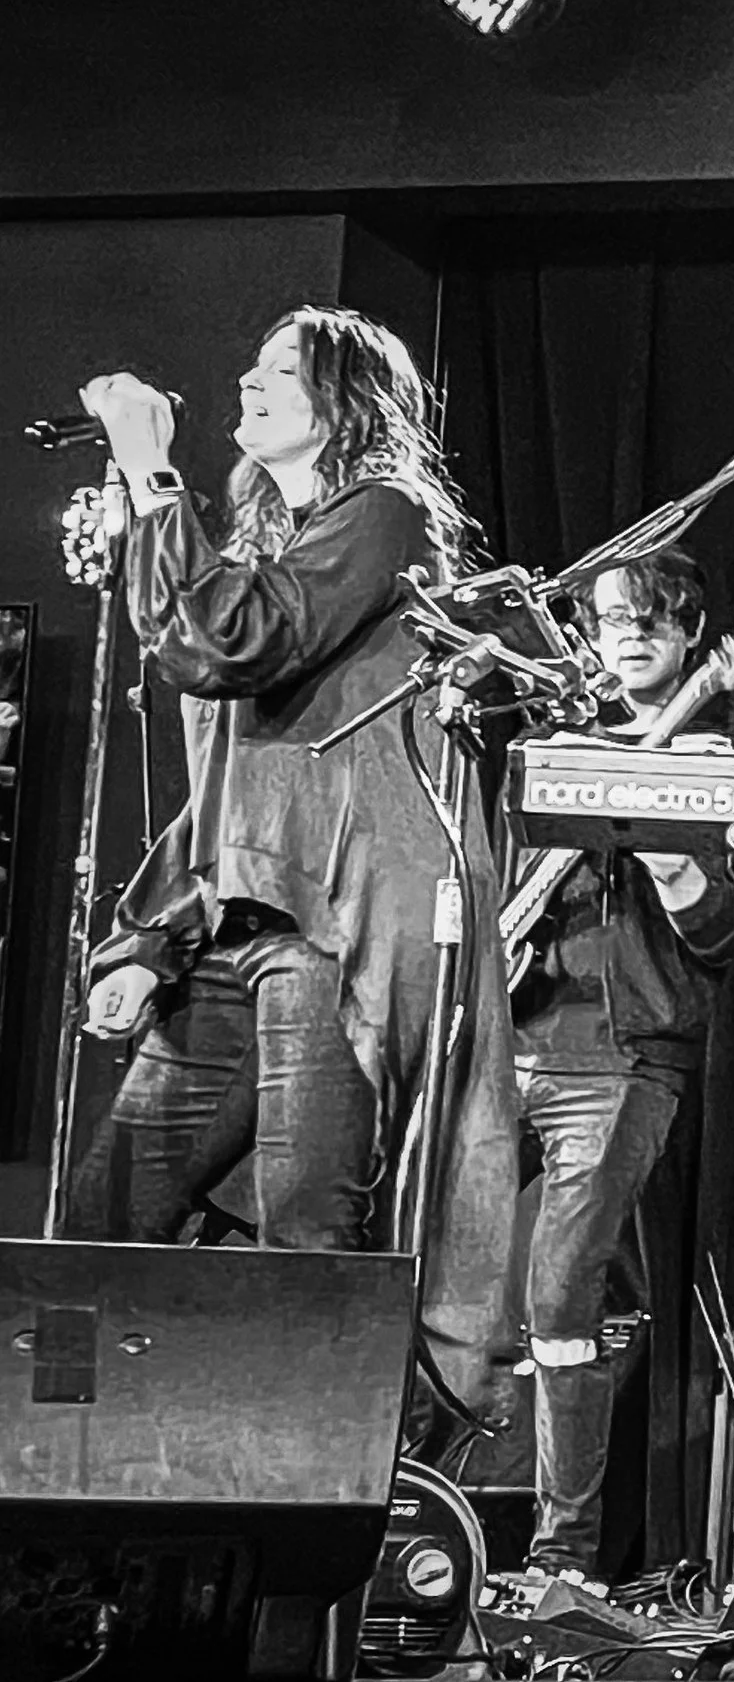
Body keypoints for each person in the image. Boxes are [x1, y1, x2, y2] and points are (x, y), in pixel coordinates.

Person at [65, 306, 516, 1435]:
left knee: (307, 1224)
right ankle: (63, 1476)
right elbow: (227, 771)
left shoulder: (387, 521)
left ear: (347, 399)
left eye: (281, 368)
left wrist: (150, 470)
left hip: (330, 931)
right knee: (101, 1218)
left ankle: (311, 1523)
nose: (247, 379)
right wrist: (151, 937)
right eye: (252, 361)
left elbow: (226, 643)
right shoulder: (273, 550)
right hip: (233, 935)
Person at [503, 548, 734, 1584]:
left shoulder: (714, 756)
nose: (631, 632)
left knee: (560, 1297)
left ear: (694, 635)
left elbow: (728, 942)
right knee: (443, 1286)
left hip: (621, 1059)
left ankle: (563, 1562)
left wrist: (676, 859)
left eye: (654, 617)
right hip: (506, 1040)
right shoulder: (542, 748)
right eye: (610, 619)